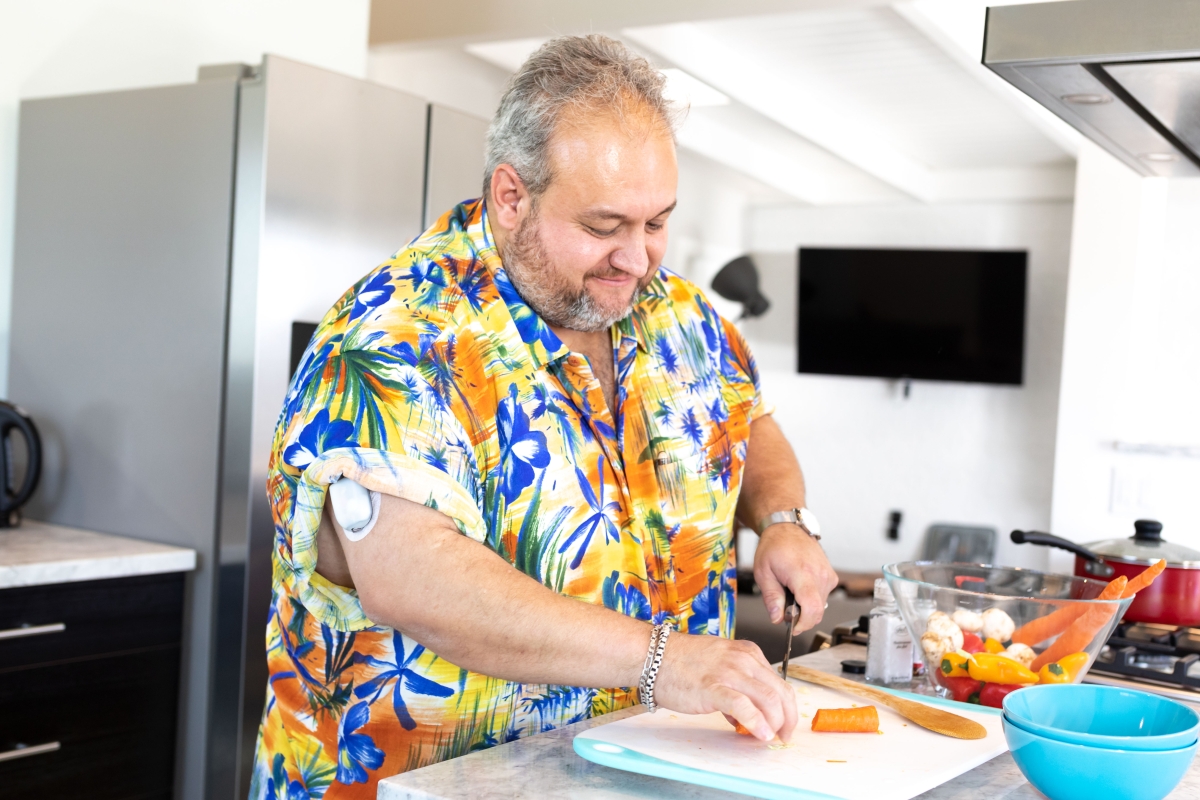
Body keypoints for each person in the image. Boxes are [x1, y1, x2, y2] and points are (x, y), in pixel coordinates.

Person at [250, 34, 838, 799]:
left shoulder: (685, 319)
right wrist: (667, 661)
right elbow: (412, 577)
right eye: (603, 227)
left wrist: (784, 517)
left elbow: (749, 424)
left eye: (657, 222)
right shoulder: (397, 332)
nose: (639, 259)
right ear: (510, 196)